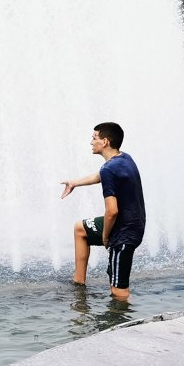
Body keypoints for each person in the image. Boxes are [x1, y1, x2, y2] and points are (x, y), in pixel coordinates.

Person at [61, 122, 146, 301]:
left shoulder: (109, 169)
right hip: (132, 223)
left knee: (118, 290)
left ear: (105, 141)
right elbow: (100, 175)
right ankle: (78, 284)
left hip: (124, 234)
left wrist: (106, 237)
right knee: (80, 229)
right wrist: (74, 183)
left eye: (94, 138)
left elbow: (112, 211)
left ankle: (122, 314)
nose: (91, 142)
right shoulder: (123, 158)